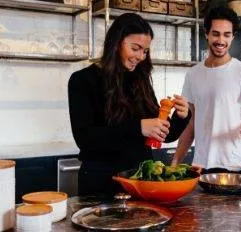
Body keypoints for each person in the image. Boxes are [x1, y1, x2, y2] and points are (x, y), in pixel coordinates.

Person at [68, 13, 191, 196]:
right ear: (116, 42)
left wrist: (181, 117)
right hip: (100, 184)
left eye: (145, 51)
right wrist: (139, 128)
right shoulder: (83, 80)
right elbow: (85, 139)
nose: (141, 56)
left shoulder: (140, 81)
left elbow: (161, 135)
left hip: (140, 182)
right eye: (135, 48)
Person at [171, 6, 241, 173]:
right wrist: (175, 161)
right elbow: (190, 124)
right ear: (206, 34)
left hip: (235, 166)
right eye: (215, 34)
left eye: (227, 35)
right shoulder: (193, 74)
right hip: (201, 166)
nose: (221, 40)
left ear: (233, 37)